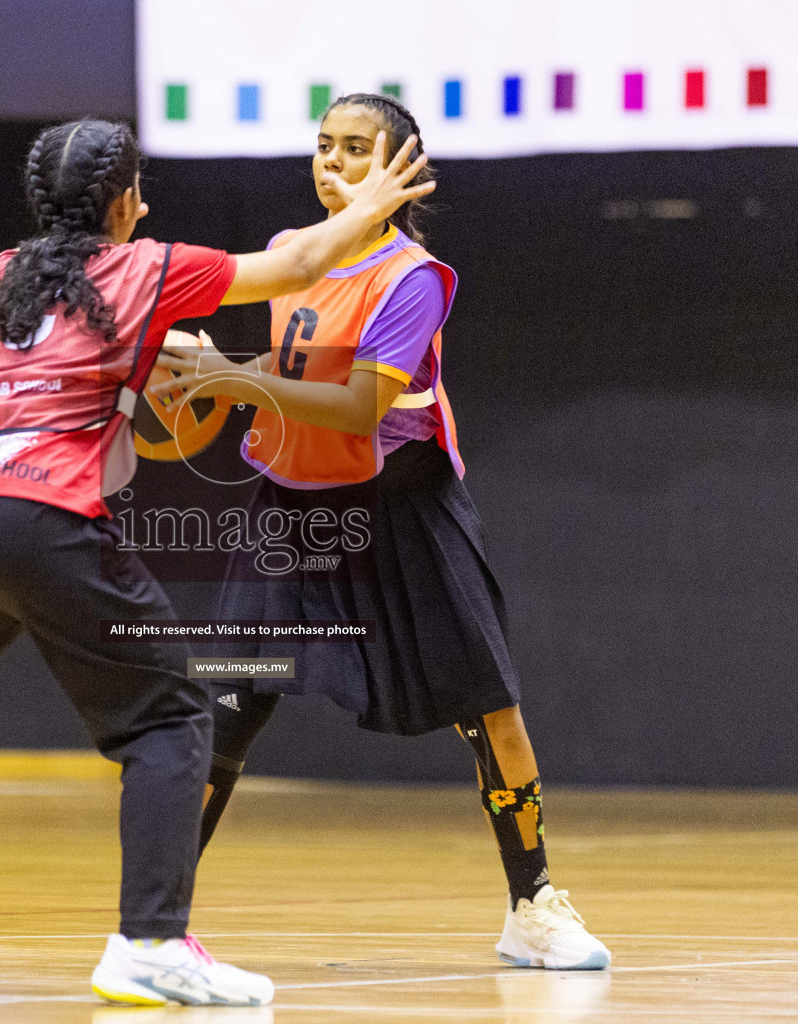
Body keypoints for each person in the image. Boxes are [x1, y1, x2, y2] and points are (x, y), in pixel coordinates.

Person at [0, 118, 433, 1006]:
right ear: (126, 199)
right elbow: (293, 268)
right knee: (172, 715)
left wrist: (177, 363)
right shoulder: (145, 264)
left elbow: (76, 366)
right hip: (30, 511)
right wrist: (367, 207)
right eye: (141, 188)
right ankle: (150, 942)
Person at [151, 92, 612, 971]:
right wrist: (218, 372)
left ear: (401, 169)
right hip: (291, 508)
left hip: (406, 509)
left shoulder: (413, 279)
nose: (331, 162)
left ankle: (533, 906)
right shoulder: (290, 257)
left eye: (355, 149)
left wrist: (233, 380)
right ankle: (154, 926)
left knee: (493, 712)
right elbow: (293, 370)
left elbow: (359, 403)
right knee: (224, 707)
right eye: (322, 146)